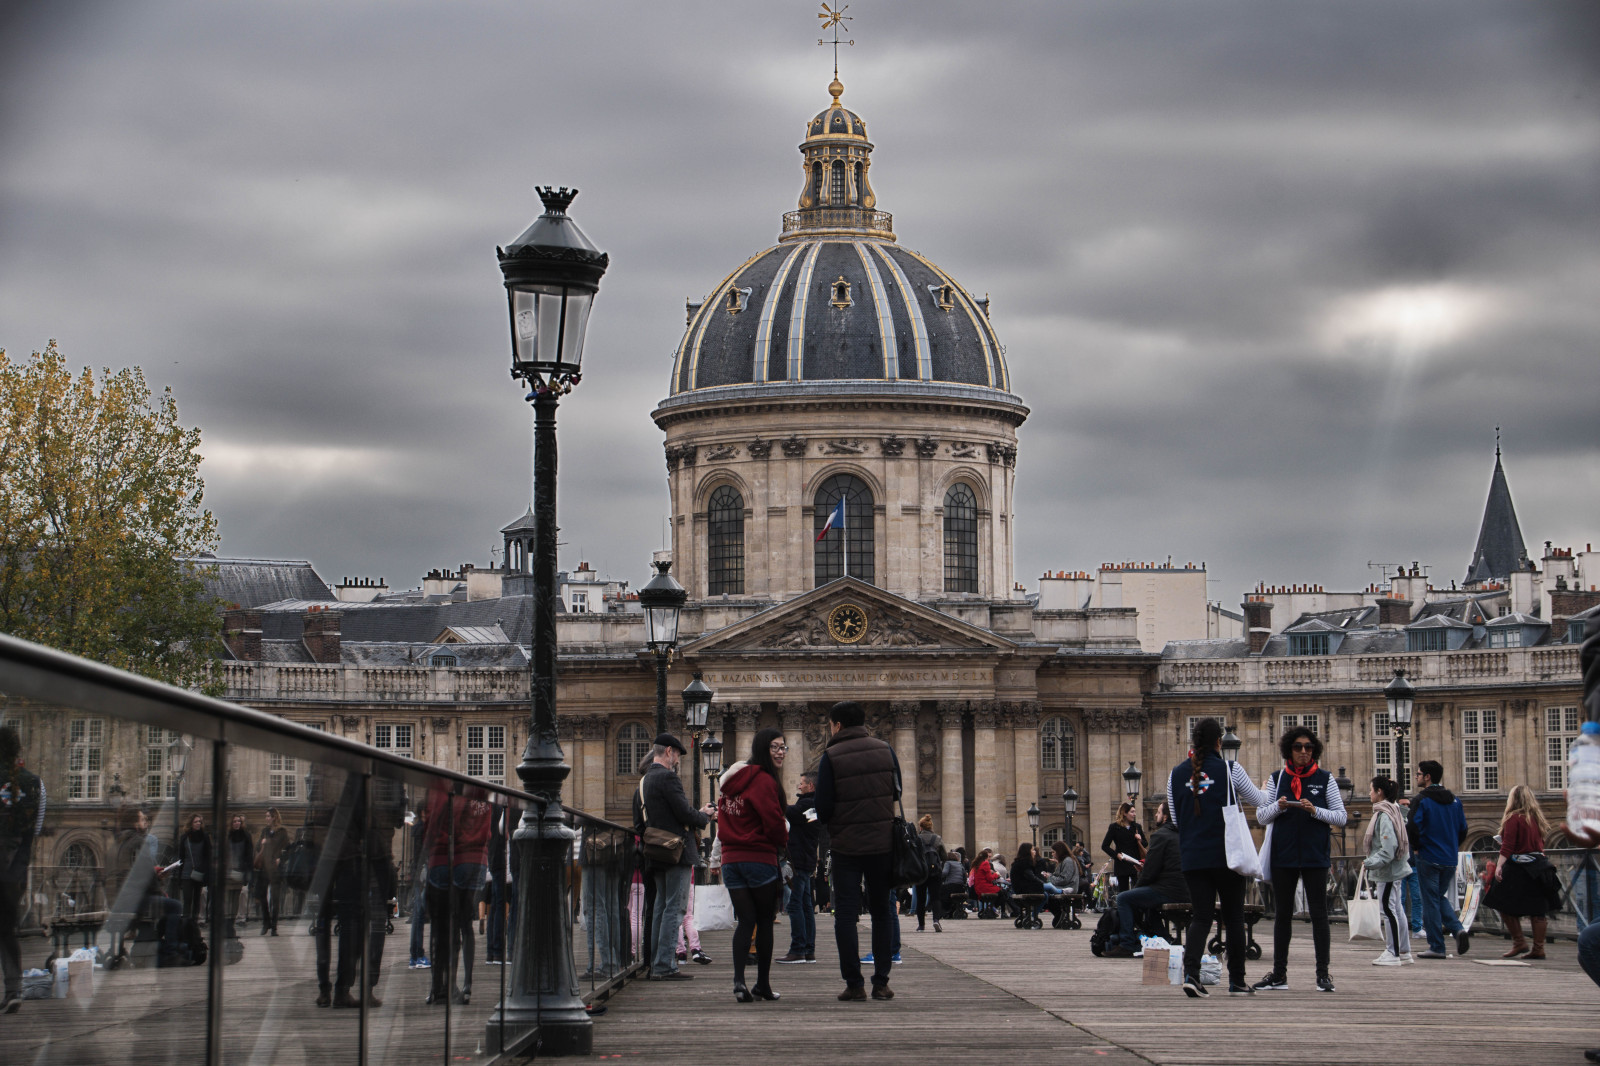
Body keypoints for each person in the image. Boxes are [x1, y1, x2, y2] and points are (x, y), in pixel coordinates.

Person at [1167, 716, 1270, 997]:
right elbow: (1259, 801)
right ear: (1219, 742)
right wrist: (1267, 788)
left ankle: (1191, 975)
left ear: (1193, 741)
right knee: (1233, 917)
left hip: (1193, 857)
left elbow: (1175, 818)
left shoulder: (1174, 774)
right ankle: (1237, 981)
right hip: (1227, 855)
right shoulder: (1230, 769)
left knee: (1200, 917)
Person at [816, 700, 901, 1002]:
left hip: (846, 847)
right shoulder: (886, 750)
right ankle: (881, 983)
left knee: (845, 915)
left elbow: (823, 807)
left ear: (837, 725)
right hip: (882, 845)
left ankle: (854, 984)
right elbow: (896, 793)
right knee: (882, 913)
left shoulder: (831, 756)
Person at [1252, 726, 1347, 993]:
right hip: (1283, 855)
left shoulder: (1325, 779)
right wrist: (1278, 806)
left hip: (1315, 855)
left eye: (1308, 747)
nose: (1304, 751)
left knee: (1319, 915)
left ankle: (1323, 974)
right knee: (1282, 915)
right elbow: (1261, 817)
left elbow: (1341, 817)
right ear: (1289, 750)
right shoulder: (1277, 778)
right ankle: (1279, 974)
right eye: (1298, 747)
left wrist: (1315, 811)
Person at [717, 728, 789, 1002]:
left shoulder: (731, 783)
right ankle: (762, 985)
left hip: (731, 861)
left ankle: (738, 982)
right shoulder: (763, 781)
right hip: (758, 858)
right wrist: (784, 842)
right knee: (764, 922)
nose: (780, 752)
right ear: (762, 749)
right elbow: (773, 822)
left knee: (745, 921)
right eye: (775, 747)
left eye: (783, 747)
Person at [637, 733, 714, 981]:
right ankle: (665, 966)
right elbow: (684, 814)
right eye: (678, 754)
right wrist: (704, 816)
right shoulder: (668, 777)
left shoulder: (645, 780)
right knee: (675, 909)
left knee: (660, 907)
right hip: (676, 852)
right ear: (669, 751)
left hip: (655, 851)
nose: (678, 760)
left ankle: (656, 962)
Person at [421, 780, 491, 1005]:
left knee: (442, 927)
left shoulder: (446, 793)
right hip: (474, 859)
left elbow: (438, 827)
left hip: (446, 859)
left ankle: (441, 987)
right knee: (464, 923)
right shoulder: (483, 797)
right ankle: (463, 984)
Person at [1485, 784, 1558, 960]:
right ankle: (1538, 948)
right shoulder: (1537, 818)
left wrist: (1499, 866)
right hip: (1539, 867)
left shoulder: (1513, 818)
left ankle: (1519, 942)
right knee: (1538, 910)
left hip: (1518, 868)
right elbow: (1540, 845)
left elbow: (1508, 846)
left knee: (1500, 900)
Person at [1106, 799, 1187, 957]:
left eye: (1158, 812)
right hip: (1183, 889)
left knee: (1124, 898)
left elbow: (1151, 871)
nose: (1156, 815)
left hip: (1168, 890)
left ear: (1165, 817)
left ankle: (1127, 944)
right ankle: (1163, 938)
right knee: (1147, 904)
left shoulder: (1160, 835)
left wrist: (1138, 887)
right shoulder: (1182, 834)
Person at [1406, 758, 1470, 959]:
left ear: (1427, 777)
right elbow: (1463, 829)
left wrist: (1416, 848)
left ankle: (1437, 946)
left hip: (1428, 856)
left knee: (1430, 901)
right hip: (1449, 858)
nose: (1416, 777)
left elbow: (1412, 827)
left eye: (1418, 774)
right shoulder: (1455, 801)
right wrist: (1452, 846)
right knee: (1436, 897)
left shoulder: (1421, 800)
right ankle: (1458, 930)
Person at [0, 725, 43, 1014]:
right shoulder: (35, 783)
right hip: (16, 869)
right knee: (6, 929)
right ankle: (14, 990)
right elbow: (36, 827)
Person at [1363, 775, 1413, 966]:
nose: (1369, 794)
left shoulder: (1384, 815)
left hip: (1388, 871)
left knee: (1388, 909)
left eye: (1371, 790)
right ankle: (1404, 950)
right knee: (1397, 909)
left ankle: (1393, 952)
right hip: (1395, 869)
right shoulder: (1394, 810)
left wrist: (1370, 862)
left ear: (1379, 792)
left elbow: (1388, 849)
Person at [779, 770, 822, 962]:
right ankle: (808, 950)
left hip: (798, 861)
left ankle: (797, 949)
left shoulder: (807, 804)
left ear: (810, 786)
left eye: (802, 783)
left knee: (794, 904)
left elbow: (789, 812)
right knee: (805, 905)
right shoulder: (814, 806)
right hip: (806, 860)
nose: (799, 785)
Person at [252, 807, 288, 936]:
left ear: (274, 817)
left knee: (275, 898)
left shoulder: (282, 832)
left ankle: (274, 926)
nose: (266, 818)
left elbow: (287, 849)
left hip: (275, 869)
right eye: (266, 816)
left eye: (268, 816)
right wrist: (262, 842)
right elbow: (258, 847)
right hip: (264, 868)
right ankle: (266, 922)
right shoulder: (265, 831)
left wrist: (280, 858)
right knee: (262, 896)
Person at [1101, 802, 1147, 898]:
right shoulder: (1114, 827)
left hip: (1136, 863)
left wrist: (1140, 839)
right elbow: (1105, 846)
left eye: (1135, 812)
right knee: (1123, 892)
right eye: (1132, 812)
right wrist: (1116, 855)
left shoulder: (1137, 827)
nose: (1134, 814)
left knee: (1138, 891)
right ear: (1125, 813)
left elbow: (1145, 844)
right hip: (1122, 863)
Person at [177, 814, 212, 922]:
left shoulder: (205, 837)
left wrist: (206, 873)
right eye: (196, 822)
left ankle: (194, 923)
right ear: (191, 823)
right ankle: (186, 923)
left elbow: (208, 856)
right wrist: (179, 875)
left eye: (199, 822)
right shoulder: (185, 837)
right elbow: (181, 857)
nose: (198, 823)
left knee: (197, 900)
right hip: (187, 872)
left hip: (199, 872)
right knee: (187, 899)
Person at [914, 814, 945, 932]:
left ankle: (921, 925)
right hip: (935, 872)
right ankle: (936, 920)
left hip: (920, 872)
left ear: (921, 827)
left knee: (921, 899)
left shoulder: (917, 839)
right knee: (936, 897)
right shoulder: (937, 838)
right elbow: (944, 856)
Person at [225, 814, 252, 933]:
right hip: (228, 872)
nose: (237, 823)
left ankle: (231, 924)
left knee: (236, 898)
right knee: (227, 899)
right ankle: (227, 924)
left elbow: (249, 855)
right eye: (235, 821)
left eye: (239, 821)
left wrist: (247, 873)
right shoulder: (227, 836)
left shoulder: (246, 836)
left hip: (239, 871)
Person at [1010, 842, 1046, 924]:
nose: (1034, 852)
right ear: (1027, 851)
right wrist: (1041, 883)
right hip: (1023, 889)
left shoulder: (1019, 862)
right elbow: (1031, 877)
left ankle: (1031, 915)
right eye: (1033, 850)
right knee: (1047, 892)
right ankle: (1033, 916)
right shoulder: (1025, 862)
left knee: (1046, 892)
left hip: (1018, 888)